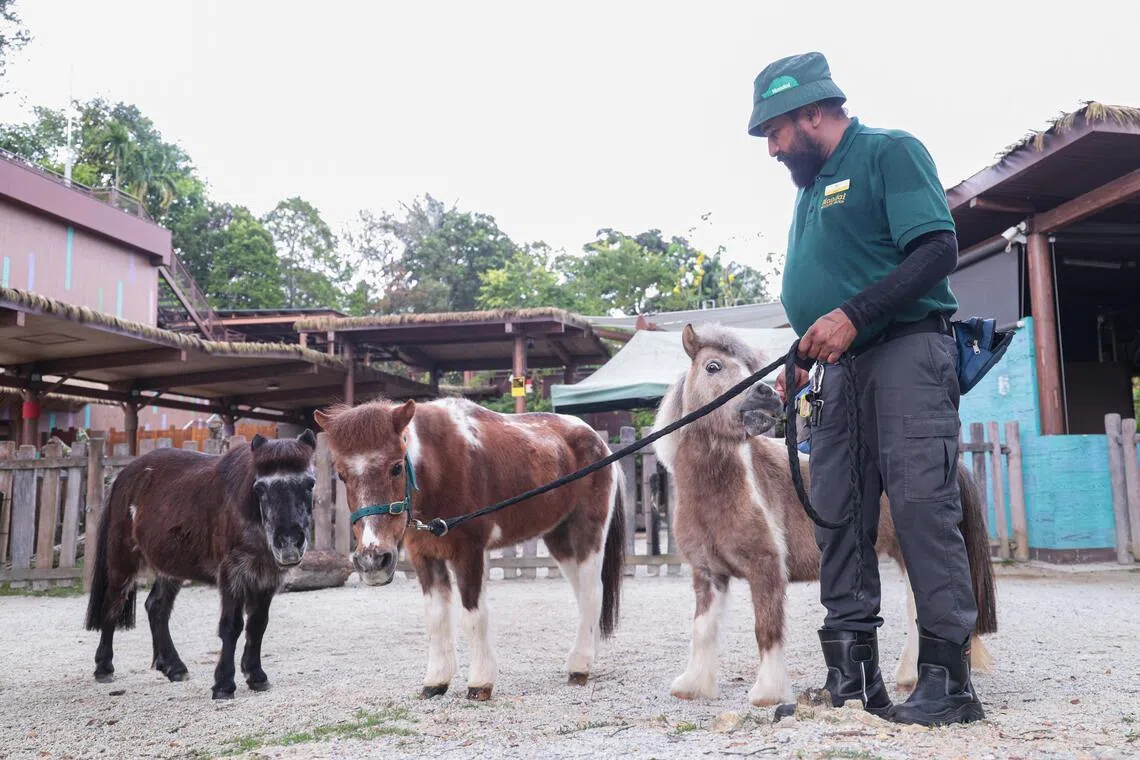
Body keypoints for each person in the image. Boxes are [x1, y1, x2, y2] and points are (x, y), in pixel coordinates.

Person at [747, 51, 984, 726]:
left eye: (775, 132)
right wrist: (804, 349)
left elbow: (936, 250)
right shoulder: (810, 188)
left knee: (920, 508)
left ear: (812, 113)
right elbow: (831, 282)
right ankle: (851, 679)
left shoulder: (888, 152)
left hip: (906, 350)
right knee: (837, 514)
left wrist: (853, 315)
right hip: (838, 368)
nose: (771, 149)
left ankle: (948, 682)